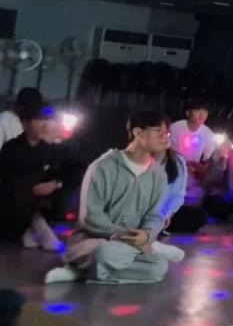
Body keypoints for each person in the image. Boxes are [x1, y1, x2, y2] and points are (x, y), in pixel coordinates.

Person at [45, 111, 172, 285]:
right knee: (105, 252)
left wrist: (147, 234)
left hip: (132, 244)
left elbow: (155, 215)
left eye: (167, 133)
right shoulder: (103, 166)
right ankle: (100, 264)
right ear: (138, 132)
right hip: (93, 241)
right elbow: (91, 217)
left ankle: (80, 273)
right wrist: (129, 237)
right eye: (158, 131)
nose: (165, 138)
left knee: (158, 266)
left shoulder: (158, 175)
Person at [0, 102, 64, 251]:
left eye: (48, 120)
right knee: (19, 185)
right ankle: (37, 225)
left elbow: (72, 172)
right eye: (39, 120)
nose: (45, 125)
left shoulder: (54, 149)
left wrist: (54, 183)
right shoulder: (11, 147)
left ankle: (34, 227)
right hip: (17, 203)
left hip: (45, 201)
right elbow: (7, 176)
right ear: (26, 124)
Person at [168, 97, 218, 197]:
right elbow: (167, 151)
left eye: (205, 112)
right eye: (197, 111)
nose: (202, 115)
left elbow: (208, 161)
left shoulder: (208, 133)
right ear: (188, 113)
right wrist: (181, 163)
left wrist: (201, 169)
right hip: (173, 174)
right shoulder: (175, 128)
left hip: (193, 179)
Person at [155, 143, 206, 235]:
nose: (163, 138)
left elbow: (178, 194)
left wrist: (168, 213)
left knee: (198, 216)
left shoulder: (177, 161)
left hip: (165, 212)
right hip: (143, 211)